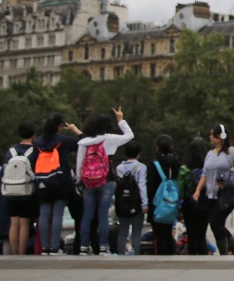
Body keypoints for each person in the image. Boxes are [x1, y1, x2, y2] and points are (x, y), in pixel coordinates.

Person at [73, 107, 133, 256]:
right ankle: (103, 246)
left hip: (88, 183)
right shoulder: (110, 139)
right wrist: (121, 120)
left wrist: (80, 182)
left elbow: (79, 164)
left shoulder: (84, 143)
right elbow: (129, 135)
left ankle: (84, 246)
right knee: (102, 215)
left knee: (87, 215)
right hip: (106, 180)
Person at [192, 123, 234, 256]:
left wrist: (227, 177)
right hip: (210, 194)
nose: (210, 137)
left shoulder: (232, 152)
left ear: (221, 136)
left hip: (225, 194)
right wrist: (198, 190)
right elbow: (205, 174)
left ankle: (224, 252)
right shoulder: (210, 154)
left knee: (215, 223)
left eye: (213, 134)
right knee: (217, 223)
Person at [34, 113, 81, 255]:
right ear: (60, 126)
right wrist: (75, 130)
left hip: (42, 180)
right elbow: (84, 143)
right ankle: (55, 247)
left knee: (44, 214)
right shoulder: (63, 140)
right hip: (61, 181)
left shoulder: (38, 142)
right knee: (57, 214)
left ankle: (44, 247)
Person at [5, 123, 40, 255]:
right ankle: (22, 252)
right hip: (27, 190)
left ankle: (14, 253)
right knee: (24, 223)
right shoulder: (34, 151)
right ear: (33, 134)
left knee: (14, 223)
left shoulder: (11, 151)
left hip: (11, 189)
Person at [147, 135, 181, 256]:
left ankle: (162, 256)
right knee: (168, 232)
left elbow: (150, 187)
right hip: (172, 203)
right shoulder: (176, 163)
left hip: (158, 204)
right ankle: (172, 254)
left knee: (159, 234)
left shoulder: (154, 165)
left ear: (157, 148)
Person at [113, 140, 148, 255]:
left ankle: (121, 254)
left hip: (122, 203)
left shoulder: (118, 167)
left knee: (122, 231)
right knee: (136, 233)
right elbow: (142, 185)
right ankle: (135, 255)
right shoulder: (141, 167)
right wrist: (145, 204)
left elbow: (116, 187)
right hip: (136, 203)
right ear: (139, 153)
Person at [180, 136, 209, 255]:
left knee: (191, 234)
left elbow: (180, 188)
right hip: (204, 202)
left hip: (188, 203)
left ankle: (192, 257)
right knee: (202, 234)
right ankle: (203, 256)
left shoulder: (184, 169)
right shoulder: (207, 169)